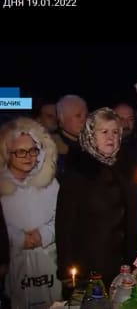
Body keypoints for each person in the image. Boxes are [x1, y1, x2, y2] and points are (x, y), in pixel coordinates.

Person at [55, 107, 137, 289]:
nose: (111, 137)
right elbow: (65, 224)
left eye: (115, 132)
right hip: (89, 266)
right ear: (90, 135)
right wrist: (66, 269)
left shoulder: (127, 169)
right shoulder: (78, 172)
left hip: (124, 266)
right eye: (104, 132)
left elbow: (136, 216)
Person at [0, 117, 61, 308]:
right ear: (7, 153)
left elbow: (60, 218)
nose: (28, 156)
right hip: (14, 263)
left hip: (48, 261)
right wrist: (18, 238)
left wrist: (43, 235)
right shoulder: (2, 188)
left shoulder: (50, 184)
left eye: (32, 150)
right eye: (20, 152)